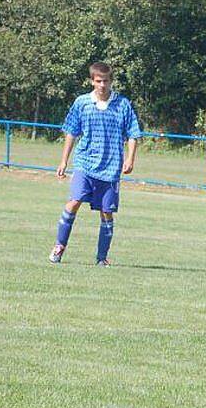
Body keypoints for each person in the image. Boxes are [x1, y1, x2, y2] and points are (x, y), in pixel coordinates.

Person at [49, 62, 142, 266]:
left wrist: (130, 158)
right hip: (85, 163)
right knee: (74, 201)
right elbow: (71, 131)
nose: (102, 85)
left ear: (111, 81)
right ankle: (59, 246)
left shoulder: (123, 104)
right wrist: (64, 161)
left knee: (106, 212)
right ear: (92, 81)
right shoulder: (82, 103)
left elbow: (133, 134)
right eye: (98, 81)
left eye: (105, 81)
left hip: (111, 167)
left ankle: (101, 258)